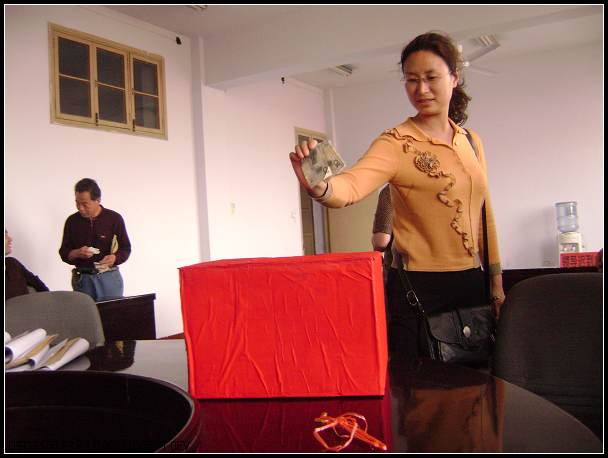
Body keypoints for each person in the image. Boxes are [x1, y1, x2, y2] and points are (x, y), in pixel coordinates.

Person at [290, 31, 505, 358]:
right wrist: (321, 185)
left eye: (431, 77)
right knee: (421, 387)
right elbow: (352, 185)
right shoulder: (395, 143)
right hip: (418, 289)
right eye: (412, 80)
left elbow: (484, 214)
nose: (422, 89)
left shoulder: (471, 141)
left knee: (476, 382)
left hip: (471, 284)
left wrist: (496, 282)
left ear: (454, 78)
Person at [59, 178, 131, 301]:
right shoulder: (72, 221)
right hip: (83, 280)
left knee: (112, 313)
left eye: (85, 204)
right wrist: (76, 253)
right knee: (86, 313)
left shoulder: (114, 219)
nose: (80, 208)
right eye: (77, 203)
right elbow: (64, 253)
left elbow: (126, 248)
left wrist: (114, 258)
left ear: (98, 200)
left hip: (109, 278)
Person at [5, 229, 50, 301]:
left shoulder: (12, 263)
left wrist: (51, 303)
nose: (10, 239)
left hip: (29, 307)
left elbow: (39, 285)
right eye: (5, 235)